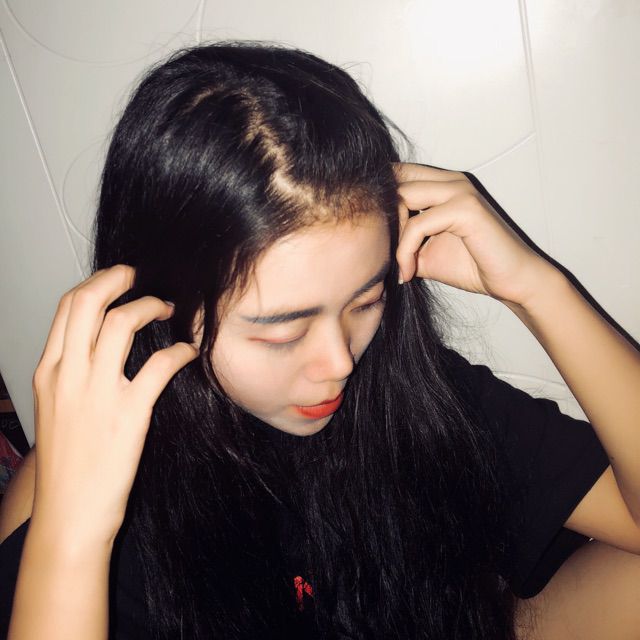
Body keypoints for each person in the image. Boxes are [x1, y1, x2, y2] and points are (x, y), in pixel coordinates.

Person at [0, 41, 639, 640]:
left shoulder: (415, 395)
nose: (339, 363)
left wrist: (538, 290)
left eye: (367, 301)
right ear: (164, 308)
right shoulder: (78, 482)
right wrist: (73, 533)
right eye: (282, 331)